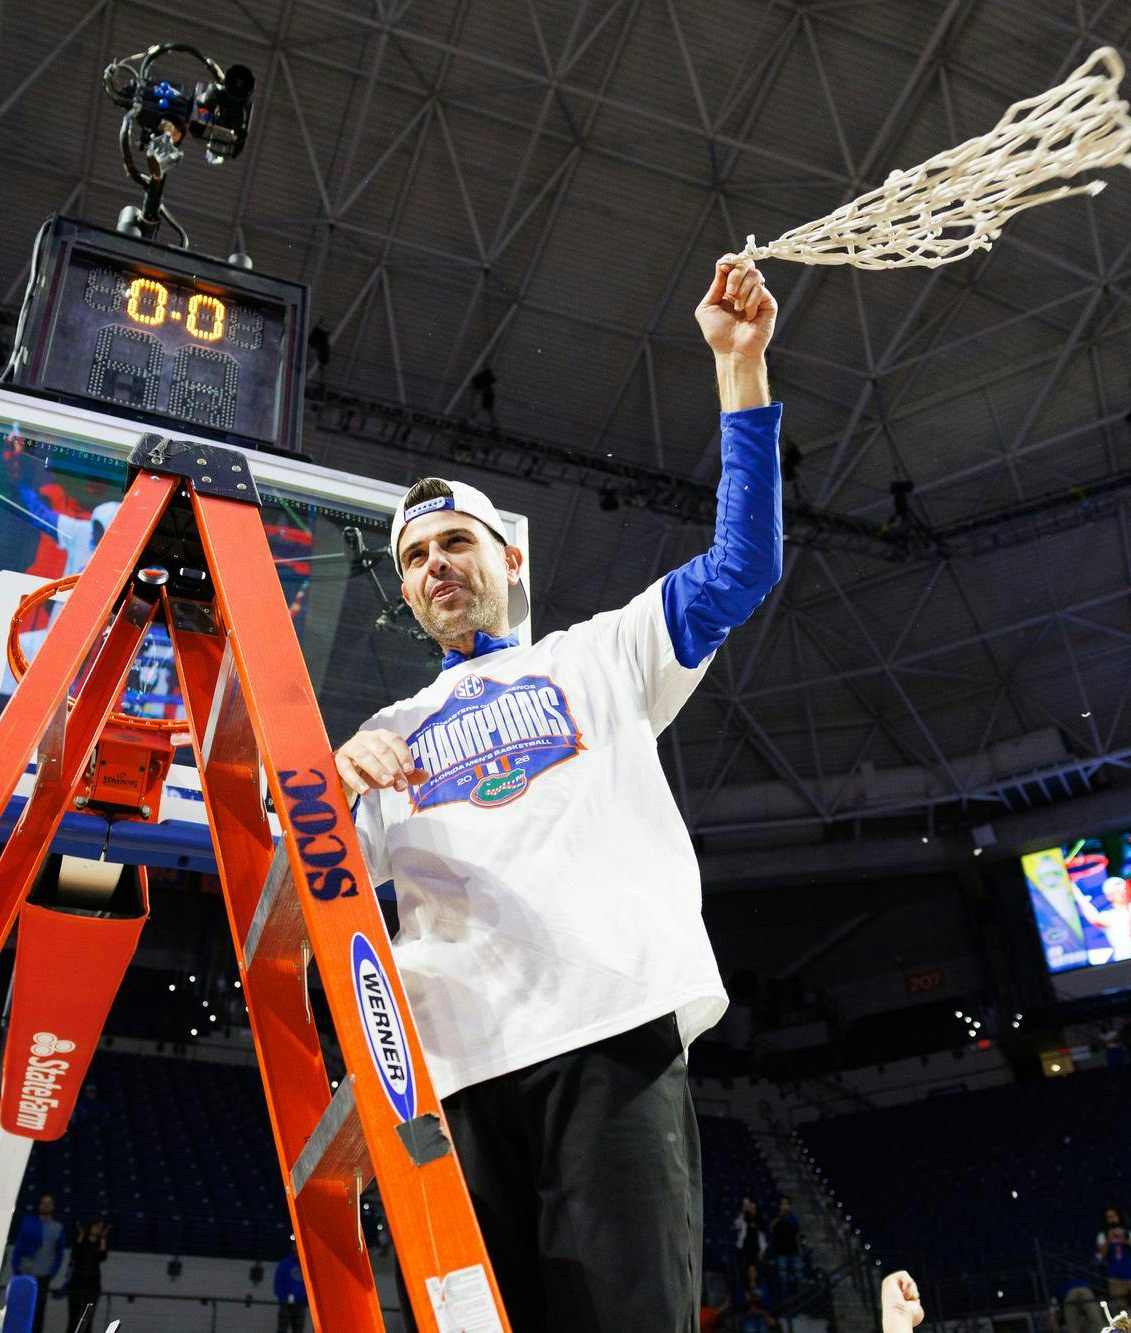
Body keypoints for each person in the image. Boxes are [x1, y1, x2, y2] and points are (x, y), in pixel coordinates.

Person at [337, 254, 783, 1333]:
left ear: (511, 555)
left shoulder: (603, 653)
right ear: (403, 594)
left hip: (606, 1029)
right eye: (414, 559)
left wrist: (739, 367)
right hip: (448, 1073)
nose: (435, 564)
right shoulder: (379, 738)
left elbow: (740, 569)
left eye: (455, 542)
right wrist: (325, 782)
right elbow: (322, 913)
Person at [10, 1194, 66, 1333]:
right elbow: (18, 1247)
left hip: (43, 1276)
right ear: (39, 1205)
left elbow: (59, 1254)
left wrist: (52, 1272)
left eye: (50, 1203)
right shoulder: (28, 1223)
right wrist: (16, 1267)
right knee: (21, 1308)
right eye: (44, 1203)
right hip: (25, 1273)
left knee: (39, 1312)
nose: (46, 1206)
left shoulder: (57, 1227)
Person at [1097, 1207, 1131, 1317]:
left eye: (1114, 1216)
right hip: (1115, 1278)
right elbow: (1101, 1254)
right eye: (1109, 1217)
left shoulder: (1130, 1233)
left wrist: (1124, 1237)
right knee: (1122, 1311)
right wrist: (1110, 1239)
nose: (1112, 1219)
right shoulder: (1103, 1236)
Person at [62, 1217, 109, 1333]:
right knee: (73, 1319)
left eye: (100, 1227)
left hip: (92, 1287)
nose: (98, 1229)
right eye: (96, 1226)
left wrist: (103, 1239)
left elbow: (102, 1256)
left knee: (87, 1320)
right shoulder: (82, 1242)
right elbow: (75, 1254)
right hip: (76, 1284)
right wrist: (81, 1235)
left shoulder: (99, 1244)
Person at [765, 1195, 803, 1297]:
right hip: (781, 1250)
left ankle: (800, 1295)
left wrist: (800, 1249)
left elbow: (797, 1235)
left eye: (787, 1204)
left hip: (793, 1249)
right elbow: (770, 1227)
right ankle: (785, 1297)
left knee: (799, 1274)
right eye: (783, 1204)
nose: (785, 1206)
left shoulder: (793, 1218)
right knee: (783, 1275)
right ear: (780, 1206)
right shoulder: (775, 1216)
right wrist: (780, 1216)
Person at [273, 1246, 308, 1332]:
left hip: (301, 1303)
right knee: (282, 1328)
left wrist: (306, 1298)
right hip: (286, 1303)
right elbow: (279, 1282)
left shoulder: (306, 1264)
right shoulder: (286, 1263)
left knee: (298, 1329)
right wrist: (283, 1297)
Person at [735, 1197, 766, 1282]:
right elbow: (737, 1226)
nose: (751, 1209)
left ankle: (757, 1289)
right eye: (749, 1207)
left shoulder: (759, 1220)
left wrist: (762, 1250)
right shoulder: (743, 1218)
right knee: (744, 1270)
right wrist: (743, 1213)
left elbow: (761, 1237)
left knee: (757, 1270)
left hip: (756, 1250)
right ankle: (746, 1291)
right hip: (744, 1249)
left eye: (753, 1208)